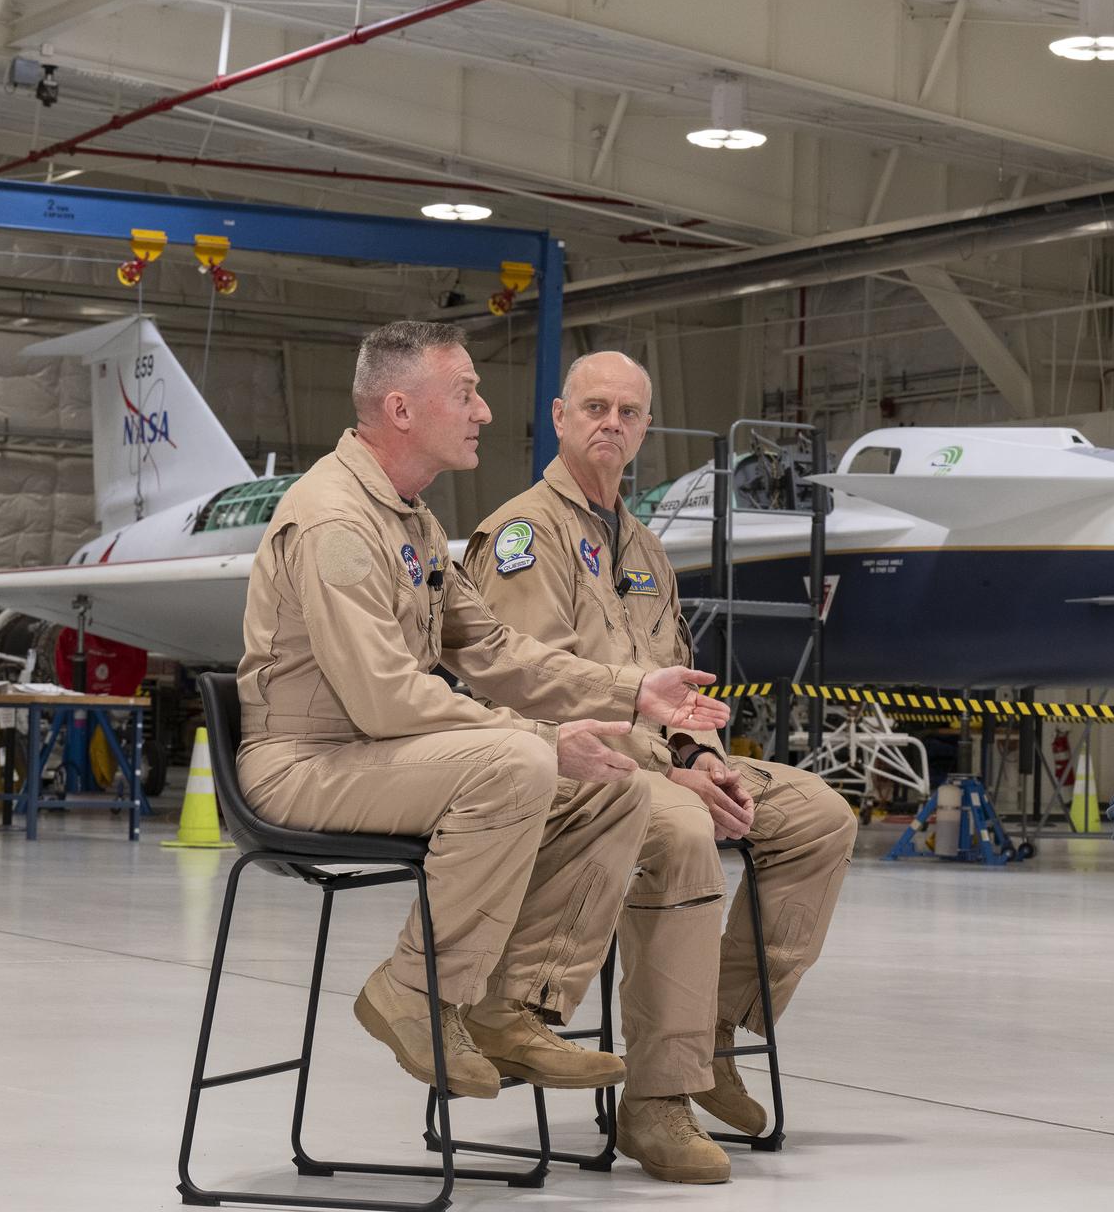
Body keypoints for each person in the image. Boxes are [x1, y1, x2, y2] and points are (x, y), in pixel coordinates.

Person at [238, 321, 730, 1101]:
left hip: (377, 753)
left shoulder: (413, 519)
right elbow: (385, 693)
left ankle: (512, 1009)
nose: (484, 411)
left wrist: (631, 693)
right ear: (402, 409)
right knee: (519, 762)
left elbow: (494, 647)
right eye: (465, 393)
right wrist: (540, 736)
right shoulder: (339, 520)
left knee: (616, 784)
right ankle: (417, 992)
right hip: (308, 762)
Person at [466, 350, 856, 1185]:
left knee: (819, 815)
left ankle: (710, 1034)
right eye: (596, 407)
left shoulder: (641, 545)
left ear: (645, 429)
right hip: (568, 772)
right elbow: (535, 694)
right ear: (562, 417)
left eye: (629, 412)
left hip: (659, 762)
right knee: (679, 829)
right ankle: (657, 1101)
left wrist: (702, 757)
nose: (612, 423)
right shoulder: (524, 537)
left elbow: (680, 687)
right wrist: (672, 779)